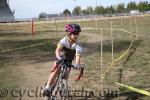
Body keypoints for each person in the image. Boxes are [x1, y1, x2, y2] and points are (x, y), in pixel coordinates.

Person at [42, 23, 83, 97]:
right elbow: (57, 50)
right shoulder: (64, 40)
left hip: (69, 61)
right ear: (69, 34)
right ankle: (47, 87)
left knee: (66, 75)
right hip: (61, 58)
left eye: (77, 33)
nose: (76, 35)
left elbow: (78, 55)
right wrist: (58, 57)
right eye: (74, 33)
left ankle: (63, 87)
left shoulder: (78, 44)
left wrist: (77, 64)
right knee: (55, 71)